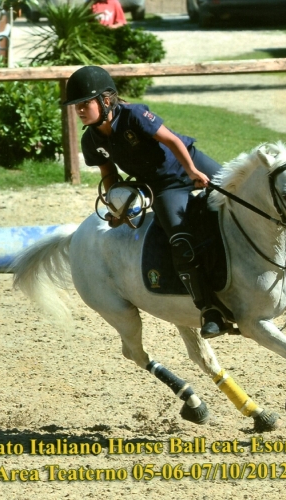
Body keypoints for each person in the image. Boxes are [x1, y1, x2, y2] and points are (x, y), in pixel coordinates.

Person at [63, 65, 227, 338]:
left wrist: (193, 171)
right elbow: (109, 174)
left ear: (105, 100)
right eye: (76, 105)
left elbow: (173, 141)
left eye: (84, 103)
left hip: (190, 162)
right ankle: (210, 309)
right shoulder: (90, 140)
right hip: (164, 187)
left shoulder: (135, 114)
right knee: (180, 238)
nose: (79, 109)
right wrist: (117, 208)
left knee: (239, 194)